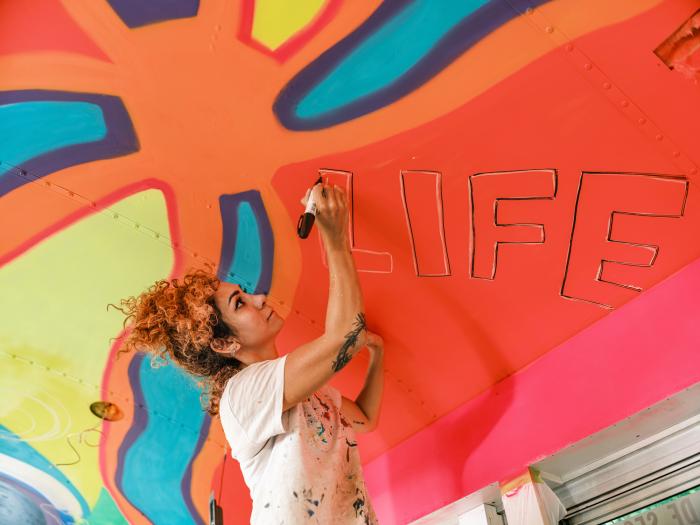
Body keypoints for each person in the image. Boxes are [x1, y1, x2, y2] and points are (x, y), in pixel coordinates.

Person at [113, 180, 384, 524]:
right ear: (225, 344)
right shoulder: (242, 395)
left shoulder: (307, 394)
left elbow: (364, 416)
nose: (259, 298)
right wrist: (333, 235)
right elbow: (345, 335)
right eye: (240, 303)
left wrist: (378, 354)